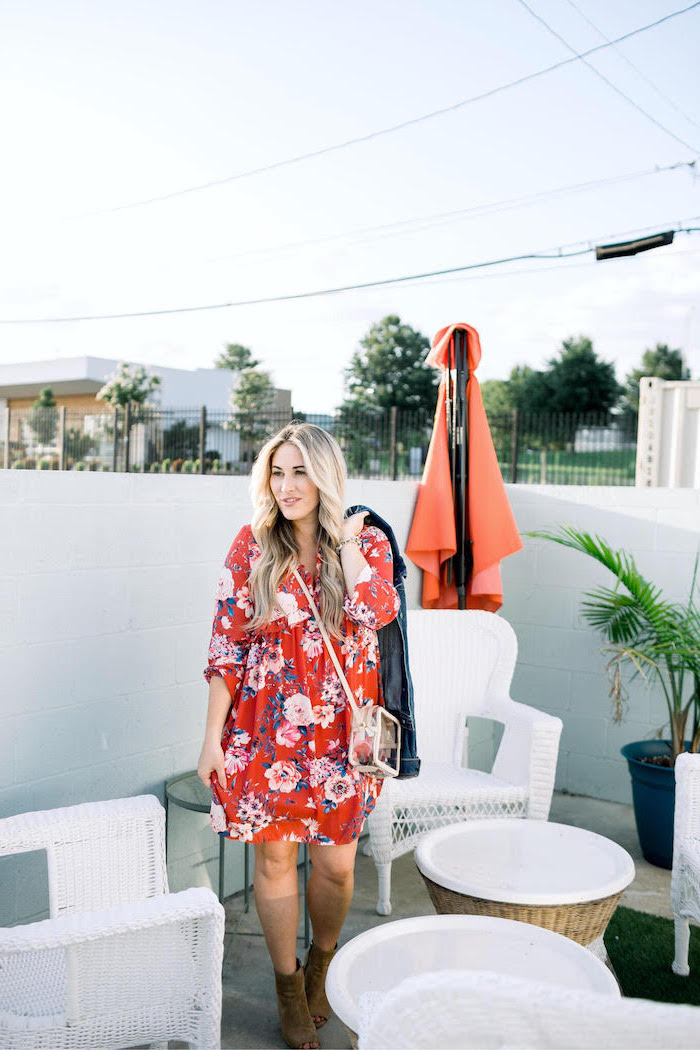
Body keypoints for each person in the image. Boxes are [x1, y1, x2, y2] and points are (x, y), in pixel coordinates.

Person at [197, 422, 400, 1050]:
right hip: (264, 730)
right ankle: (288, 984)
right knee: (276, 856)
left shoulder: (365, 539)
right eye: (276, 473)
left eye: (300, 471)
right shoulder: (250, 543)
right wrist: (210, 738)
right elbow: (226, 646)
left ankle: (324, 963)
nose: (287, 486)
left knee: (338, 863)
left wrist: (343, 543)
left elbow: (378, 608)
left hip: (344, 734)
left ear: (326, 474)